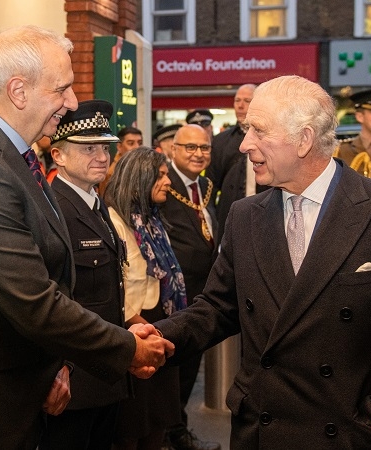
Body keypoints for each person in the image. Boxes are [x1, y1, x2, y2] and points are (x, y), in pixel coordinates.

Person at [152, 75, 371, 449]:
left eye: (258, 131)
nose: (245, 145)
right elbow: (218, 306)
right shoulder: (245, 215)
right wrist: (160, 337)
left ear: (304, 139)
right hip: (260, 432)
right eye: (246, 130)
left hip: (347, 433)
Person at [0, 25, 173, 449]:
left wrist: (61, 362)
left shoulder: (9, 155)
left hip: (12, 385)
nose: (71, 102)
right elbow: (33, 302)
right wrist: (125, 348)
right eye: (62, 89)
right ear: (19, 91)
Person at [41, 99, 130, 449]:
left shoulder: (95, 202)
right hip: (73, 379)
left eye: (105, 146)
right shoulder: (53, 209)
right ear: (58, 156)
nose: (102, 156)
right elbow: (48, 298)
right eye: (88, 148)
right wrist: (55, 370)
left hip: (104, 374)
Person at [105, 147, 184, 450]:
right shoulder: (113, 221)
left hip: (159, 323)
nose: (167, 182)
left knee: (159, 420)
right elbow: (114, 286)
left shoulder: (151, 219)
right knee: (132, 426)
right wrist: (144, 330)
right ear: (141, 178)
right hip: (133, 330)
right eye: (160, 176)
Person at [160, 125, 220, 450]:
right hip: (175, 296)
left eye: (205, 148)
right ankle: (171, 434)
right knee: (173, 373)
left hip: (204, 294)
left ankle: (178, 429)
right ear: (173, 149)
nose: (198, 154)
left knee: (189, 369)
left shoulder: (208, 185)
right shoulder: (163, 183)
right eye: (190, 148)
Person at [208, 84, 268, 240]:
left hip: (266, 214)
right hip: (228, 217)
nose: (240, 106)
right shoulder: (221, 141)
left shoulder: (270, 138)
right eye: (237, 100)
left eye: (247, 100)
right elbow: (211, 184)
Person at [98, 126, 143, 195]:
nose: (137, 147)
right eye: (131, 143)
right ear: (119, 146)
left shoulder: (143, 166)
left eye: (140, 143)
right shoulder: (112, 173)